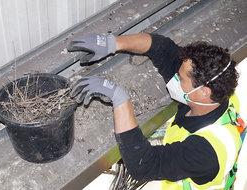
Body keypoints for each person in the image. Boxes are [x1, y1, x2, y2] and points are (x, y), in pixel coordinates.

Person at [67, 33, 244, 189]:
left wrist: (119, 99)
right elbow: (162, 47)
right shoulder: (215, 94)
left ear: (203, 92)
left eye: (181, 78)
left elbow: (143, 166)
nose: (175, 77)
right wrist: (113, 43)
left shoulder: (206, 152)